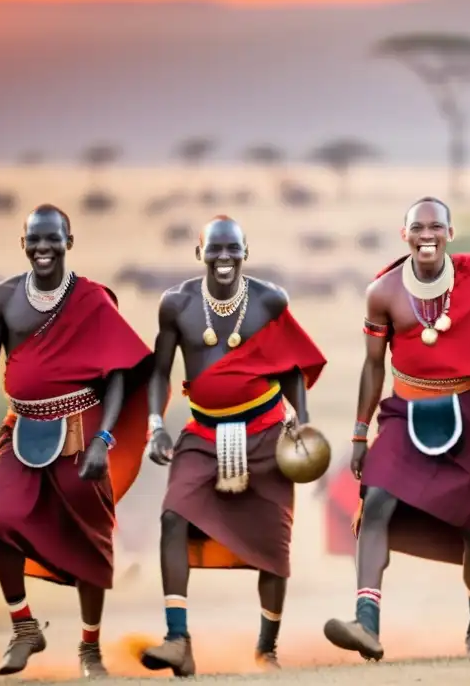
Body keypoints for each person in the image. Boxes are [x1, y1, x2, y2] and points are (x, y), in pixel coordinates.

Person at [322, 197, 470, 662]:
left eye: (436, 227)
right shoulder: (383, 292)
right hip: (403, 411)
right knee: (375, 504)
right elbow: (373, 367)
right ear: (403, 234)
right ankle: (366, 624)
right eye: (418, 227)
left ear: (450, 233)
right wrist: (358, 433)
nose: (427, 235)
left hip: (468, 411)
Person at [0, 204, 154, 677]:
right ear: (22, 243)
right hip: (20, 427)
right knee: (0, 523)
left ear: (70, 241)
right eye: (35, 238)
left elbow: (117, 377)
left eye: (53, 238)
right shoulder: (1, 298)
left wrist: (103, 439)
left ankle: (90, 649)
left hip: (82, 430)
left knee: (91, 540)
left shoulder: (92, 300)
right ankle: (25, 627)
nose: (43, 247)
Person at [140, 216, 327, 676]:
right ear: (199, 252)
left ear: (247, 252)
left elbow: (292, 369)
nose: (224, 258)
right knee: (172, 517)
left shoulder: (269, 300)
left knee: (275, 544)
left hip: (266, 434)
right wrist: (155, 425)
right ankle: (177, 639)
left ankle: (266, 650)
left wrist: (302, 426)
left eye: (233, 249)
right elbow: (160, 371)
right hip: (203, 435)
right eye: (215, 249)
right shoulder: (176, 304)